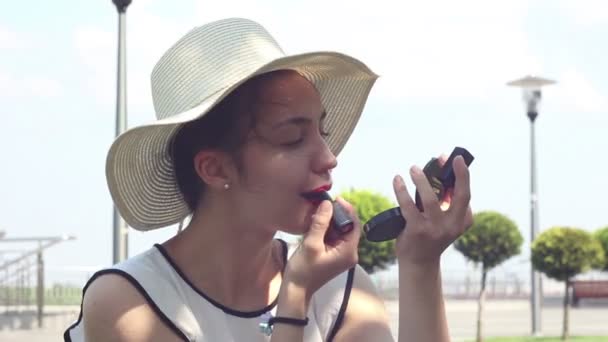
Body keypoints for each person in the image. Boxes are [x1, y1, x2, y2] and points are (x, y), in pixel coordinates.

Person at [64, 17, 473, 342]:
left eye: (322, 133)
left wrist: (420, 264)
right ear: (215, 168)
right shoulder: (129, 303)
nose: (329, 159)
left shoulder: (342, 290)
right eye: (293, 138)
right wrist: (293, 301)